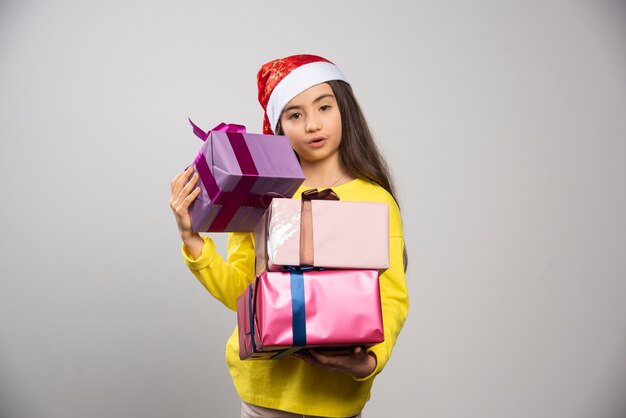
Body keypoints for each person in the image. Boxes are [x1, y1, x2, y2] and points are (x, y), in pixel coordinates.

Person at [169, 54, 409, 418]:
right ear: (280, 126)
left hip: (336, 400)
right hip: (263, 397)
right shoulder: (263, 192)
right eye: (295, 115)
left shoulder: (375, 199)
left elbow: (390, 297)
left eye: (324, 107)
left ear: (345, 111)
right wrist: (192, 238)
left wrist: (368, 361)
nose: (313, 124)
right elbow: (243, 293)